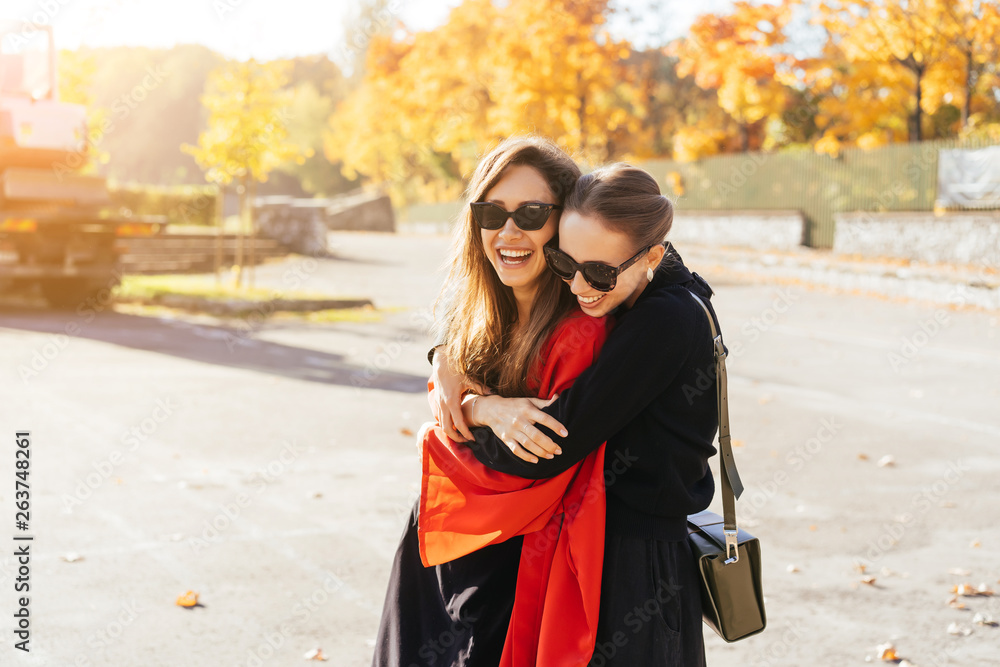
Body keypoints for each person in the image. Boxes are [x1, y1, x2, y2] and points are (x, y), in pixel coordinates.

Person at [432, 163, 719, 666]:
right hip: (607, 551)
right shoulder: (646, 288)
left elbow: (549, 444)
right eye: (566, 264)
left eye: (600, 272)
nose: (579, 286)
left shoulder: (665, 319)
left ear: (653, 255)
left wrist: (458, 427)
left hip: (638, 567)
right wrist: (446, 354)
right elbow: (482, 299)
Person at [372, 136, 612, 667]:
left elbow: (529, 470)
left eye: (531, 213)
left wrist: (435, 436)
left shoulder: (578, 335)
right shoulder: (479, 315)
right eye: (491, 212)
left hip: (514, 563)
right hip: (438, 547)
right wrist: (480, 403)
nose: (509, 231)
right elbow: (450, 405)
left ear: (563, 222)